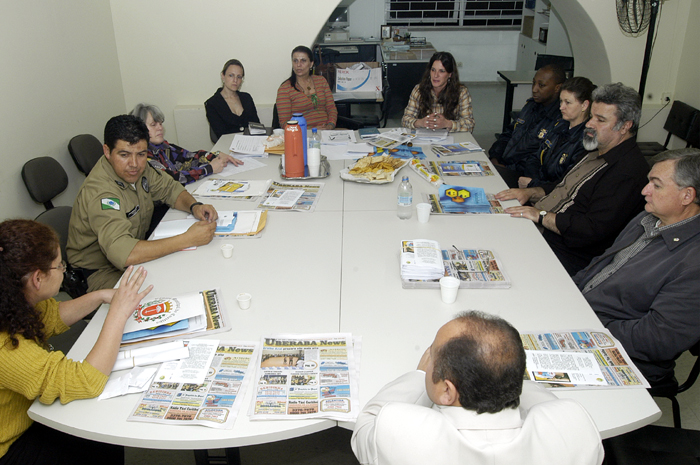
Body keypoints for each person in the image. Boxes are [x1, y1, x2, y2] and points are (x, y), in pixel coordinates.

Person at [351, 311, 603, 465]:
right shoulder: (576, 427)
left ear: (447, 391)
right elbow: (548, 406)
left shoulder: (400, 431)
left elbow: (367, 422)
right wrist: (504, 376)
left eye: (433, 358)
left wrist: (418, 374)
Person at [0, 219, 152, 464]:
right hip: (10, 446)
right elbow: (84, 381)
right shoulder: (5, 348)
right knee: (102, 436)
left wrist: (100, 296)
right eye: (60, 265)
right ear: (38, 279)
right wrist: (119, 314)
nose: (63, 269)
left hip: (27, 415)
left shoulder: (13, 300)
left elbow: (48, 317)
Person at [573, 149, 700, 385]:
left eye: (656, 185)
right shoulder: (647, 218)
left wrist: (588, 327)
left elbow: (657, 339)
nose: (645, 191)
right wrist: (566, 293)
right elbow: (600, 266)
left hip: (622, 355)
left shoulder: (693, 261)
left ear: (686, 196)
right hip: (584, 318)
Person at [496, 82, 650, 275]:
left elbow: (589, 230)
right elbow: (563, 186)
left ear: (625, 126)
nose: (589, 124)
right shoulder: (597, 149)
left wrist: (540, 216)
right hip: (540, 226)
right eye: (592, 116)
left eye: (600, 120)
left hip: (564, 252)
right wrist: (529, 192)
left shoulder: (626, 173)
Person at [67, 115, 219, 292]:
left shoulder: (138, 167)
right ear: (107, 151)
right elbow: (123, 253)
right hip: (100, 272)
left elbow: (169, 188)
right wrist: (187, 239)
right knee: (168, 291)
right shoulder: (102, 193)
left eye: (141, 154)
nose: (134, 164)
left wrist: (195, 206)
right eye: (124, 155)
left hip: (135, 249)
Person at [489, 64, 566, 187]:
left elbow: (538, 159)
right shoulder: (530, 106)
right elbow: (509, 133)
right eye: (533, 83)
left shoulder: (560, 119)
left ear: (557, 88)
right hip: (503, 165)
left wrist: (505, 168)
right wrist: (495, 157)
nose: (534, 89)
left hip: (523, 176)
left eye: (541, 85)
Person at [130, 103, 242, 185]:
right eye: (153, 124)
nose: (160, 128)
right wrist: (209, 169)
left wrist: (216, 155)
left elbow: (188, 157)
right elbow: (173, 179)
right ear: (139, 129)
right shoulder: (144, 157)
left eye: (160, 123)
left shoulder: (164, 146)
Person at [518, 76, 596, 188]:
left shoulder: (585, 142)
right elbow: (535, 157)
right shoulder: (559, 126)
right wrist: (532, 181)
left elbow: (566, 184)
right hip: (533, 184)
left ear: (584, 105)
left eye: (568, 102)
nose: (561, 107)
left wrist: (533, 185)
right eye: (561, 101)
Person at [401, 51, 475, 133]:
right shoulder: (418, 89)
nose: (436, 75)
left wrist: (447, 124)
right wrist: (420, 122)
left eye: (441, 71)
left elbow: (470, 125)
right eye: (433, 70)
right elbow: (405, 120)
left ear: (450, 74)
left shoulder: (461, 92)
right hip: (425, 137)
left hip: (451, 138)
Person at [276, 45, 337, 130]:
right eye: (295, 61)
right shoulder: (285, 89)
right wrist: (311, 130)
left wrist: (330, 125)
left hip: (327, 132)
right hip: (301, 135)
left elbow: (331, 109)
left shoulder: (321, 81)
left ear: (311, 64)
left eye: (303, 61)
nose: (298, 65)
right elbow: (284, 123)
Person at [205, 59, 261, 139]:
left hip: (250, 145)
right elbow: (221, 134)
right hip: (227, 147)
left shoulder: (247, 98)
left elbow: (257, 128)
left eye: (239, 77)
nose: (235, 80)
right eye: (231, 75)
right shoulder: (212, 104)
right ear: (223, 76)